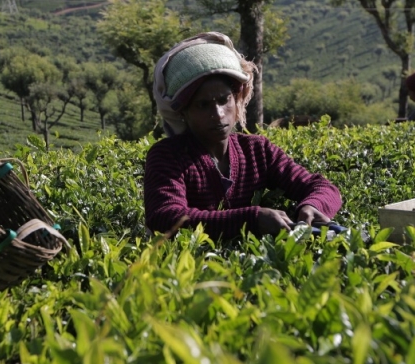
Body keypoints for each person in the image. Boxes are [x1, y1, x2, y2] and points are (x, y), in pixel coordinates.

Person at [143, 31, 342, 240]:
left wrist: (312, 206)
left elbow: (323, 187)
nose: (218, 114)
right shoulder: (167, 155)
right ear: (183, 111)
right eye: (203, 105)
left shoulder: (257, 150)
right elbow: (164, 216)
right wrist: (251, 220)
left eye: (224, 100)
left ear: (236, 98)